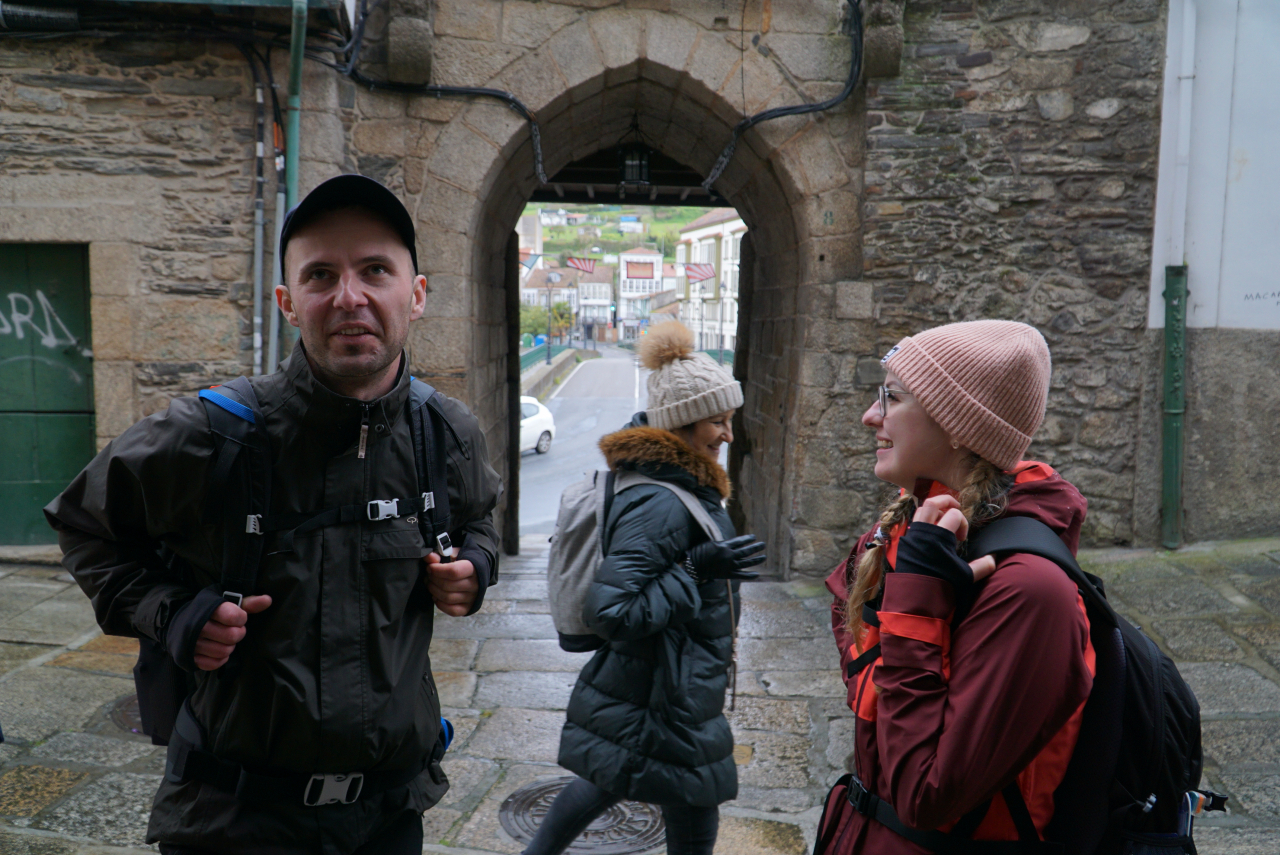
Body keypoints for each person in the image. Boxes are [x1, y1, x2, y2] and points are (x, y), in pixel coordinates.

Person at [44, 174, 502, 855]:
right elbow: (84, 524)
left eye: (375, 269)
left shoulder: (447, 432)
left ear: (418, 294)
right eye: (322, 275)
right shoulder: (210, 432)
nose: (350, 296)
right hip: (233, 820)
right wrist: (171, 615)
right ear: (289, 303)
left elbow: (479, 520)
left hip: (388, 819)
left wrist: (477, 566)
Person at [824, 320, 1095, 852]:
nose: (870, 416)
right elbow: (847, 610)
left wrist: (917, 599)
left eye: (892, 397)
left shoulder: (1033, 593)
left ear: (957, 425)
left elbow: (925, 796)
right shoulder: (914, 529)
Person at [522, 322, 766, 855]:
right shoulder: (659, 501)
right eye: (718, 422)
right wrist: (698, 571)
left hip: (668, 686)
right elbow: (611, 610)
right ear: (680, 423)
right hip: (663, 690)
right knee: (682, 797)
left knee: (618, 779)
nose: (728, 435)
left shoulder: (677, 483)